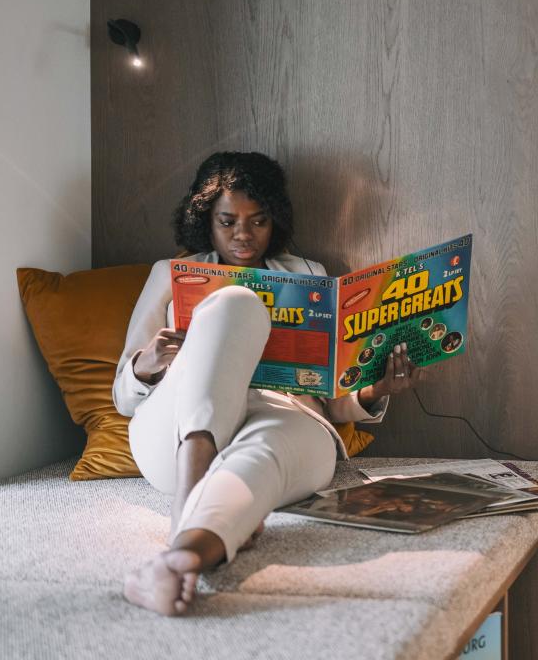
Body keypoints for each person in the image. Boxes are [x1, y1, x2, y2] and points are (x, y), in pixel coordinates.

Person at [115, 151, 420, 616]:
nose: (243, 234)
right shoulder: (169, 274)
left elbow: (331, 400)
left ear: (273, 220)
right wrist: (147, 363)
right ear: (205, 221)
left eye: (258, 221)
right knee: (235, 303)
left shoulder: (309, 276)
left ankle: (183, 556)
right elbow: (122, 397)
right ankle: (188, 507)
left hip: (282, 415)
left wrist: (375, 390)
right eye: (227, 221)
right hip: (176, 435)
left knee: (265, 453)